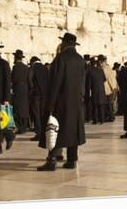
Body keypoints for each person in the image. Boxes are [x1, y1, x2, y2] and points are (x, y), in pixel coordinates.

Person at [37, 33, 86, 171]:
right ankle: (72, 160)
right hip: (76, 102)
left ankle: (52, 160)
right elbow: (82, 83)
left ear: (64, 43)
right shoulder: (80, 59)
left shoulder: (61, 59)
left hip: (61, 102)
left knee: (55, 128)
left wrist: (50, 104)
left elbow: (55, 83)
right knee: (72, 130)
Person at [28, 56, 49, 142]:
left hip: (36, 95)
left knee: (36, 114)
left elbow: (29, 79)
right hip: (45, 95)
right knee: (42, 114)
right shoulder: (45, 68)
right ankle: (44, 133)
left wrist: (32, 90)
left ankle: (39, 133)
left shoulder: (33, 68)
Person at [11, 49, 31, 134]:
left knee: (18, 109)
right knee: (24, 109)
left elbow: (13, 79)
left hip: (17, 90)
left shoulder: (15, 67)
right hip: (25, 90)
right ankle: (24, 127)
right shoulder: (26, 67)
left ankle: (19, 127)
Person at [86, 57, 107, 125]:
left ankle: (95, 120)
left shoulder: (90, 71)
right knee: (101, 105)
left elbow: (89, 83)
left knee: (95, 106)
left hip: (94, 90)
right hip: (101, 90)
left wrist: (88, 90)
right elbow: (104, 79)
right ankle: (102, 120)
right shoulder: (101, 70)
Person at [99, 55, 117, 122]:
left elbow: (110, 79)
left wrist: (113, 88)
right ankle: (108, 116)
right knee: (107, 104)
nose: (100, 63)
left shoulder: (107, 69)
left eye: (101, 62)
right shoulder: (103, 68)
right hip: (105, 89)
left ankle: (111, 117)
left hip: (108, 89)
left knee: (109, 104)